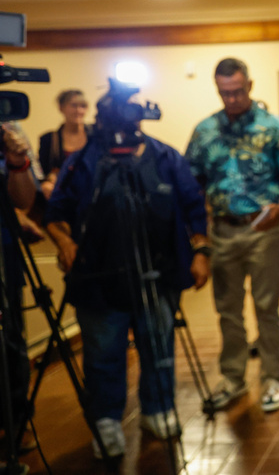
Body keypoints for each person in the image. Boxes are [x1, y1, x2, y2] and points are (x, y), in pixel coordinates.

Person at [45, 85, 210, 458]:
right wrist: (66, 243)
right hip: (98, 280)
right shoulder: (82, 161)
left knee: (158, 345)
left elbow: (194, 207)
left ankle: (157, 409)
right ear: (102, 118)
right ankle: (105, 421)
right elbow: (55, 215)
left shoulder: (166, 156)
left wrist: (201, 252)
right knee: (103, 352)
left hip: (159, 273)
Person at [185, 58, 279, 414]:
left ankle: (271, 379)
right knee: (228, 310)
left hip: (264, 228)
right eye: (225, 93)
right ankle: (233, 379)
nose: (233, 98)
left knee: (267, 306)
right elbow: (191, 183)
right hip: (222, 230)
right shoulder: (205, 130)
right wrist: (198, 234)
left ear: (250, 86)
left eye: (238, 91)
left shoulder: (275, 127)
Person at [0, 123, 40, 471]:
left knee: (12, 343)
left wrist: (16, 160)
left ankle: (13, 430)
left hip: (5, 258)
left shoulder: (10, 133)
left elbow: (25, 200)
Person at [37, 90, 90, 201]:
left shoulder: (94, 136)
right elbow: (43, 172)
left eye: (83, 106)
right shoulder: (49, 139)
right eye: (73, 105)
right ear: (61, 108)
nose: (78, 110)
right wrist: (49, 180)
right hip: (60, 192)